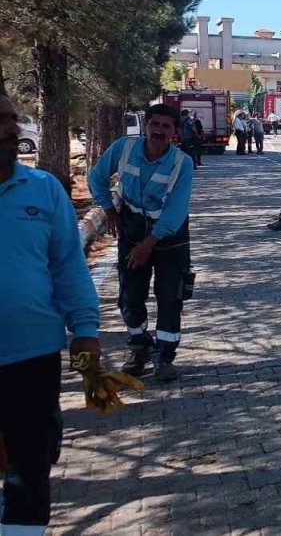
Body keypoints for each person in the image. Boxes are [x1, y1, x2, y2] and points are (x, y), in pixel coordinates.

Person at [0, 94, 101, 536]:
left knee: (30, 468)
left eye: (11, 117)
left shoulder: (44, 190)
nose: (10, 127)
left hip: (34, 358)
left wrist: (86, 333)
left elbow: (68, 268)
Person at [89, 103, 195, 383]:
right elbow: (97, 178)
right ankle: (140, 348)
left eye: (166, 126)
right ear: (145, 126)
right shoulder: (124, 148)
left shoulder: (182, 163)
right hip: (132, 227)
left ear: (175, 132)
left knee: (170, 296)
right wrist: (109, 209)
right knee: (130, 296)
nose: (159, 131)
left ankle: (164, 357)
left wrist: (148, 244)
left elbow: (175, 211)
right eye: (154, 124)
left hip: (170, 235)